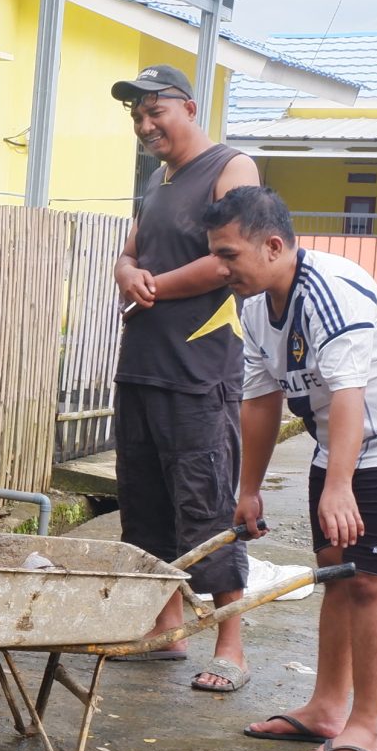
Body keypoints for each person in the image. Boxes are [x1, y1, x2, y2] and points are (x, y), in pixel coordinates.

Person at [209, 187, 377, 751]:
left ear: (273, 245)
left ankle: (365, 727)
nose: (219, 268)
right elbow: (261, 401)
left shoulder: (330, 291)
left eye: (228, 255)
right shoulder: (253, 305)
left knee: (371, 580)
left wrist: (339, 485)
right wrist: (248, 490)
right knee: (336, 576)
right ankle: (326, 708)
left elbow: (350, 394)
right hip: (340, 445)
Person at [108, 64, 261, 693]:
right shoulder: (158, 180)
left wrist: (155, 286)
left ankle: (231, 644)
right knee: (143, 502)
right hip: (142, 363)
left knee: (204, 502)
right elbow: (131, 247)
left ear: (189, 108)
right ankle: (164, 630)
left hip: (199, 370)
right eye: (137, 116)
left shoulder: (232, 168)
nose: (146, 126)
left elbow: (233, 260)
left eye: (156, 113)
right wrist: (125, 271)